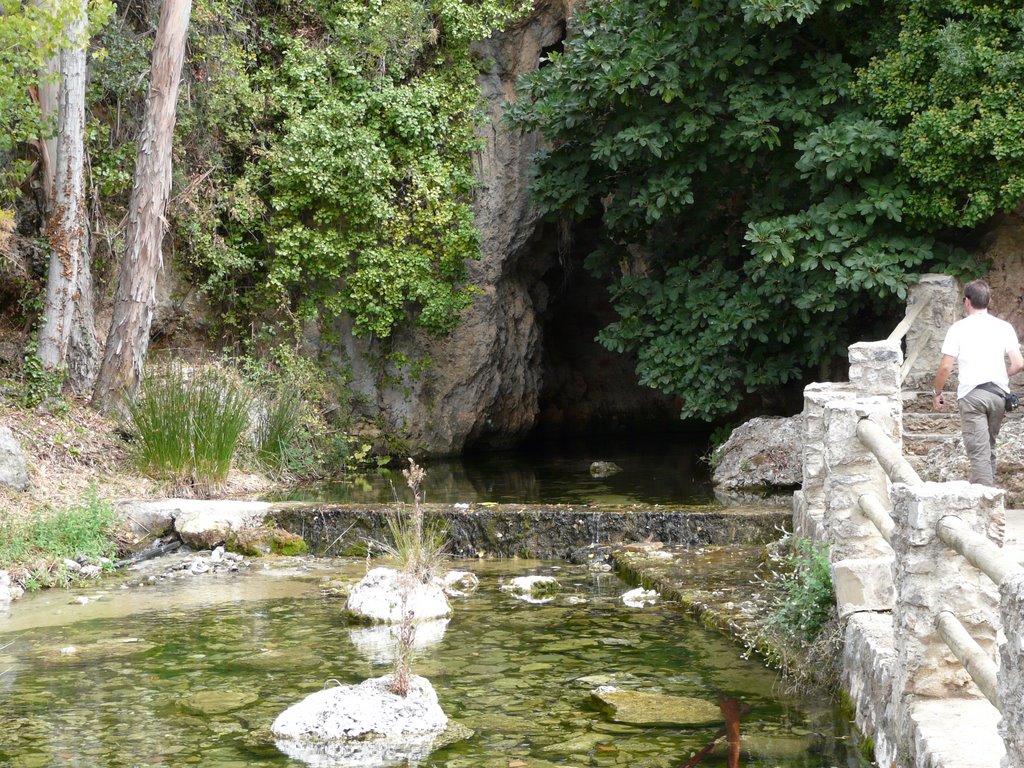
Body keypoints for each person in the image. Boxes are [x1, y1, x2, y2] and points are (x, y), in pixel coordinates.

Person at [932, 279, 1024, 486]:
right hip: (999, 395)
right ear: (989, 300)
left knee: (978, 451)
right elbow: (1018, 364)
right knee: (988, 448)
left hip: (972, 397)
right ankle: (990, 501)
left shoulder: (958, 328)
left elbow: (946, 367)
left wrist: (937, 392)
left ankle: (983, 505)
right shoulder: (1004, 327)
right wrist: (1000, 376)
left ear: (967, 301)